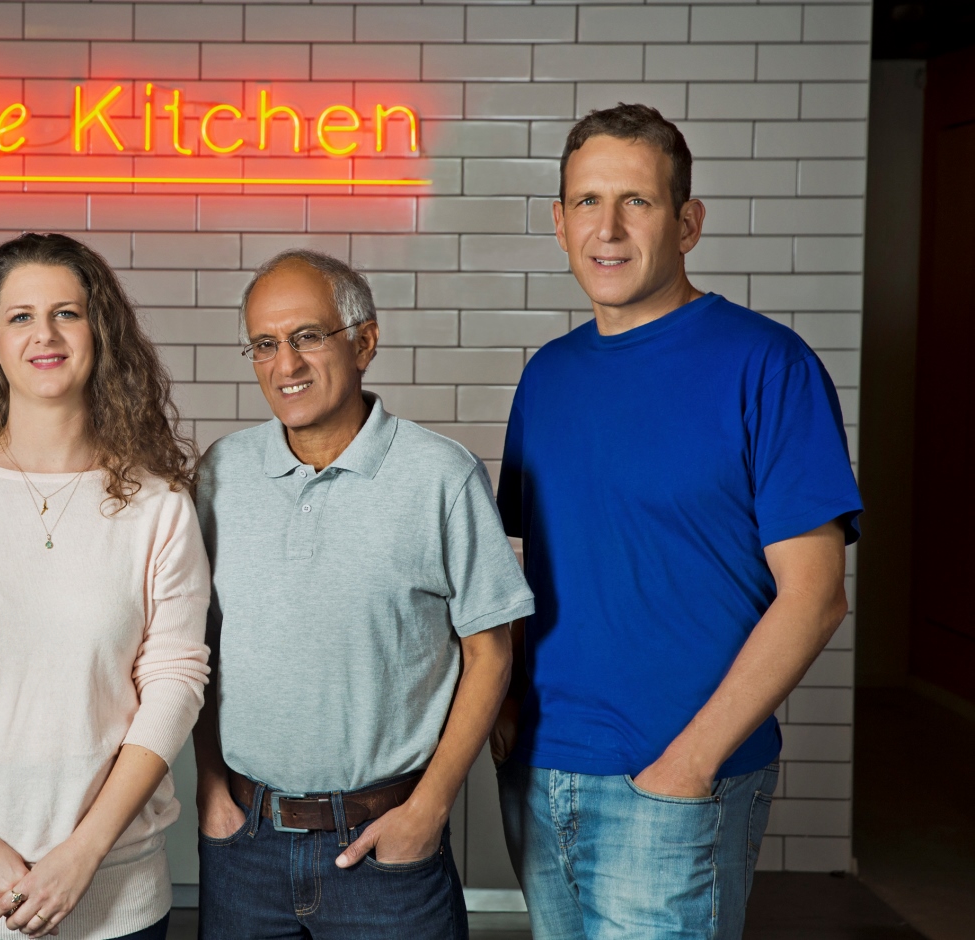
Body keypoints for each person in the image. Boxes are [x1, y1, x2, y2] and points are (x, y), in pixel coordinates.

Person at [493, 103, 861, 940]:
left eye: (638, 202)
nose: (608, 228)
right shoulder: (547, 377)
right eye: (587, 201)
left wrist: (688, 765)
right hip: (544, 771)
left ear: (688, 221)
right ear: (558, 222)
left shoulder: (769, 365)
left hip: (677, 777)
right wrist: (509, 706)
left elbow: (815, 597)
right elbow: (525, 566)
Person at [0, 233, 210, 940]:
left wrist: (84, 854)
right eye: (20, 317)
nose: (44, 334)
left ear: (100, 335)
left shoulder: (159, 506)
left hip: (112, 889)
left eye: (67, 314)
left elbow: (175, 683)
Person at [192, 249, 535, 940]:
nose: (285, 365)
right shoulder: (220, 474)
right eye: (265, 344)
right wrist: (207, 786)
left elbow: (491, 654)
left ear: (365, 342)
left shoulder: (441, 476)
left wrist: (429, 809)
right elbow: (195, 642)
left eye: (308, 336)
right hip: (243, 847)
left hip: (389, 852)